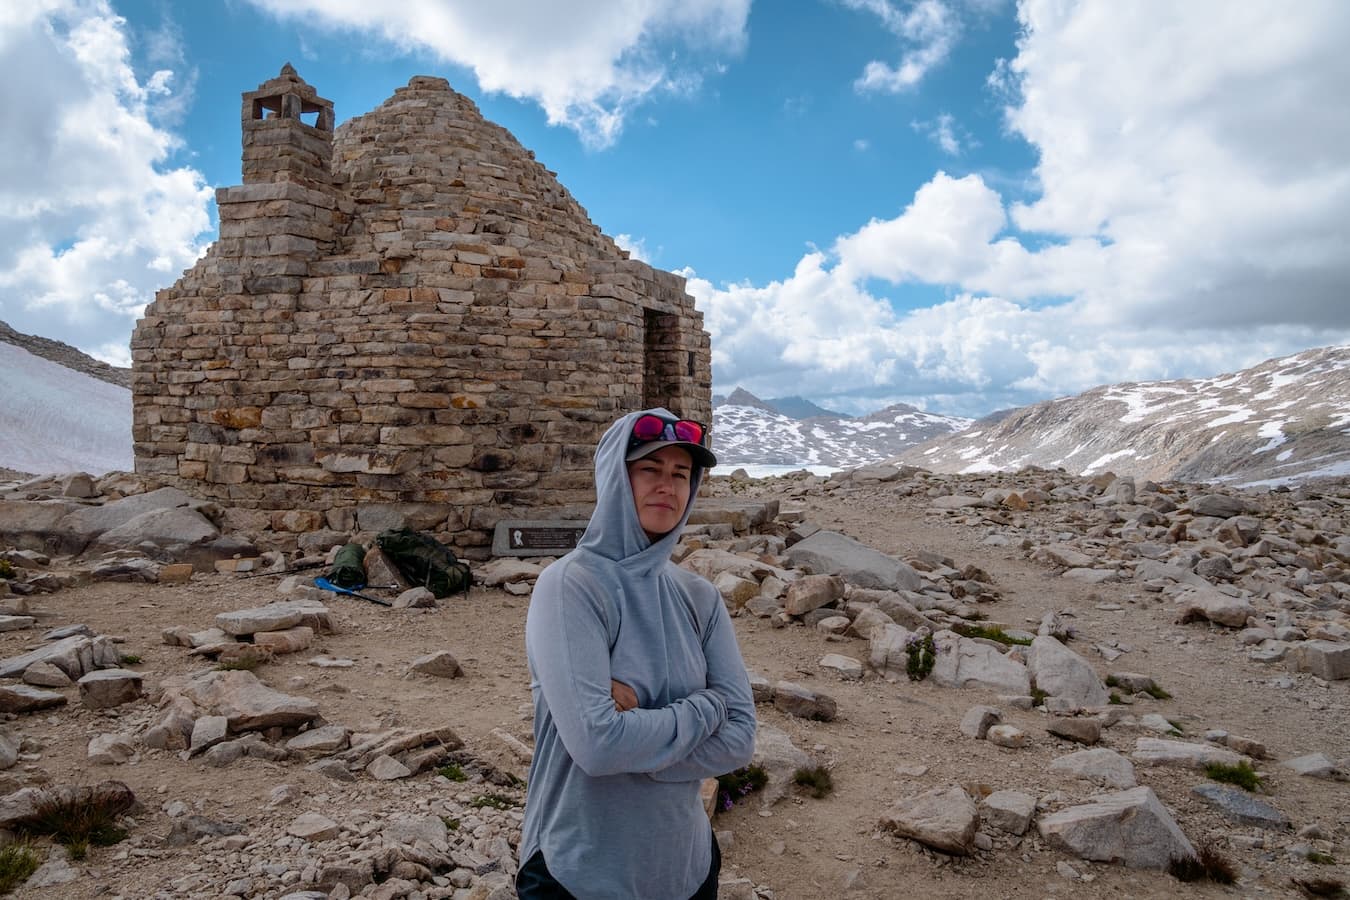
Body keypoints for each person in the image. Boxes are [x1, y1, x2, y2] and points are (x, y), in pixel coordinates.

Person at [516, 408, 757, 899]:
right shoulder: (570, 587)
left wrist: (638, 733)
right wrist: (706, 707)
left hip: (684, 869)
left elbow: (739, 740)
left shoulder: (699, 597)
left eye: (681, 474)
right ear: (615, 475)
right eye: (650, 469)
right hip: (577, 870)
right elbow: (598, 745)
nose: (667, 486)